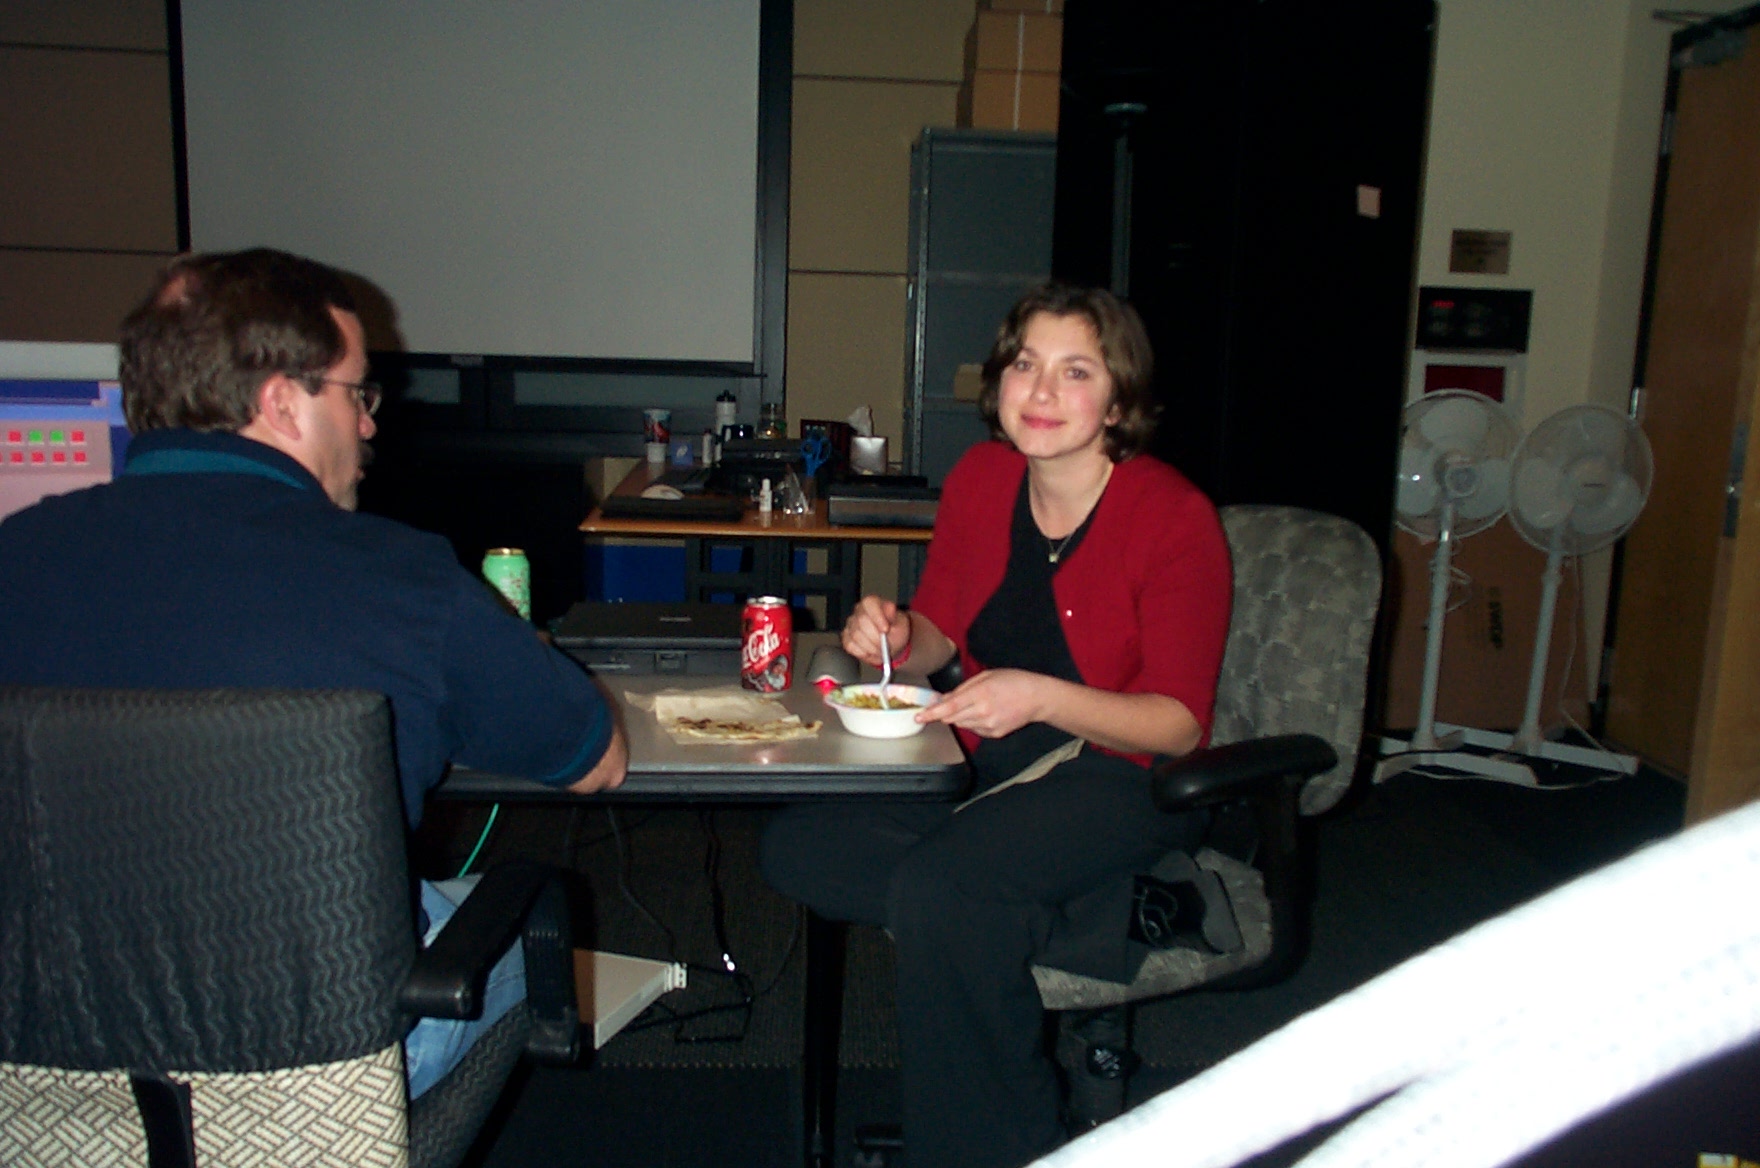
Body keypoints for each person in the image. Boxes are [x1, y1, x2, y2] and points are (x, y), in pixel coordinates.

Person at [0, 248, 627, 1098]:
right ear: (280, 402)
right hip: (317, 1072)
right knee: (519, 934)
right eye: (358, 394)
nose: (369, 425)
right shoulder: (401, 580)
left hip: (37, 1061)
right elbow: (595, 760)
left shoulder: (16, 554)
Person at [761, 284, 1232, 1168]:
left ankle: (1003, 1149)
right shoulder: (983, 479)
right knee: (797, 845)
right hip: (985, 762)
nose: (1042, 391)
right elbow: (942, 630)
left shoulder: (1173, 516)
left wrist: (1041, 697)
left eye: (1076, 371)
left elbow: (1177, 725)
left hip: (1121, 776)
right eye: (1025, 364)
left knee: (947, 893)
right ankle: (1118, 914)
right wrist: (897, 633)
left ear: (1119, 402)